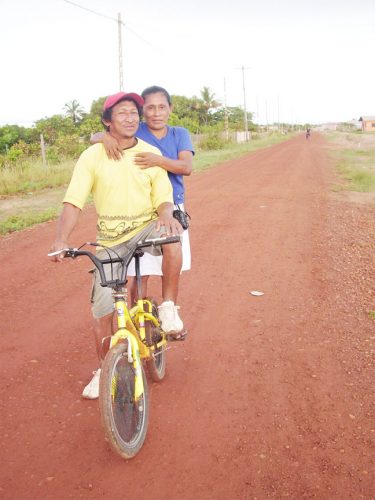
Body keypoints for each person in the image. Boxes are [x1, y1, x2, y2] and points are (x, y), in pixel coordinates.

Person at [49, 92, 183, 399]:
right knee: (102, 313)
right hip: (110, 241)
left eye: (134, 113)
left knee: (173, 239)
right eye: (122, 113)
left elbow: (162, 197)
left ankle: (167, 308)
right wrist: (61, 239)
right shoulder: (92, 156)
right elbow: (74, 201)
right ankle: (104, 368)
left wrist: (166, 216)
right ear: (108, 121)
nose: (131, 118)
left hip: (145, 227)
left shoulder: (149, 153)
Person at [90, 85, 194, 309]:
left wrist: (158, 160)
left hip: (171, 206)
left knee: (170, 261)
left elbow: (186, 167)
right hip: (142, 210)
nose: (156, 113)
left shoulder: (179, 133)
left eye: (162, 107)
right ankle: (139, 317)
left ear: (170, 109)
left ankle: (169, 309)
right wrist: (103, 138)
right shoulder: (137, 129)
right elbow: (98, 134)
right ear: (142, 111)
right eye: (150, 108)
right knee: (141, 272)